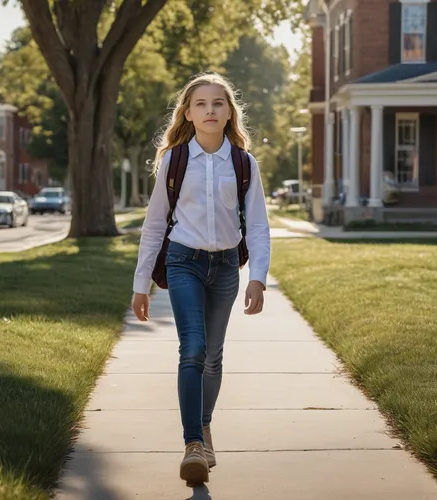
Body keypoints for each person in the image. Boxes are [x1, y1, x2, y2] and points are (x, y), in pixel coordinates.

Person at [131, 72, 270, 486]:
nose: (210, 110)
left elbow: (259, 226)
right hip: (182, 261)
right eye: (201, 104)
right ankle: (193, 443)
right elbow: (155, 225)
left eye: (218, 104)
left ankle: (205, 426)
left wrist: (257, 277)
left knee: (213, 355)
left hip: (226, 266)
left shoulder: (244, 163)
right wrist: (142, 283)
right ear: (188, 114)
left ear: (230, 114)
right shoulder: (175, 161)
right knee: (192, 347)